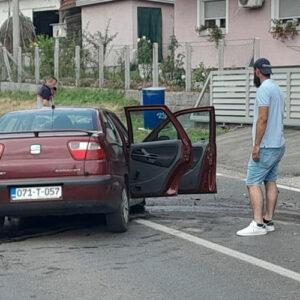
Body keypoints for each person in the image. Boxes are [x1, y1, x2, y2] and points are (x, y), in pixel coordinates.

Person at [237, 58, 286, 237]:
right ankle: (268, 220)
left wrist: (256, 145)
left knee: (252, 182)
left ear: (257, 71)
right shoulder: (278, 89)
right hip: (279, 144)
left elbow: (263, 118)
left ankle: (257, 224)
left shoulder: (263, 89)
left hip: (266, 146)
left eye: (254, 72)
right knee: (270, 181)